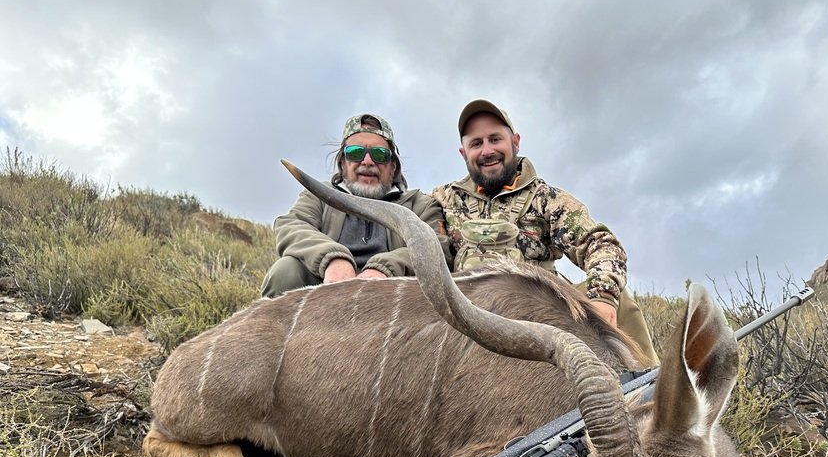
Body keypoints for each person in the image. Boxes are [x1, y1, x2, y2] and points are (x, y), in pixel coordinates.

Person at [431, 100, 659, 366]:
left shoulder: (546, 199)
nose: (487, 150)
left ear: (515, 142)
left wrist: (603, 298)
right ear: (463, 152)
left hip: (537, 316)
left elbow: (601, 244)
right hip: (464, 315)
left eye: (495, 139)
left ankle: (648, 389)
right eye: (476, 143)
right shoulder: (444, 199)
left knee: (623, 304)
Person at [262, 113, 450, 297]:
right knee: (285, 272)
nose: (367, 162)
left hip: (393, 300)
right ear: (343, 163)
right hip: (327, 295)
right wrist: (333, 258)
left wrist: (384, 269)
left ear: (393, 166)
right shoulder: (318, 196)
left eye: (379, 154)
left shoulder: (420, 205)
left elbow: (437, 246)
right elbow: (292, 225)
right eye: (356, 153)